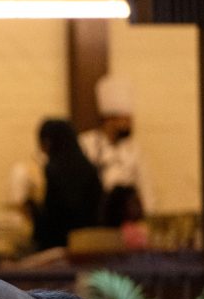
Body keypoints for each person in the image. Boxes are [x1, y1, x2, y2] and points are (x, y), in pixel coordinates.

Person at [79, 74, 147, 213]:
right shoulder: (86, 143)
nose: (130, 124)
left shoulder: (134, 149)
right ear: (110, 120)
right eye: (125, 120)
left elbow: (145, 188)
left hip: (126, 219)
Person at [32, 118, 103, 252]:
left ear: (48, 142)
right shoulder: (89, 168)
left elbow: (52, 213)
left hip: (58, 245)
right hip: (90, 243)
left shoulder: (53, 169)